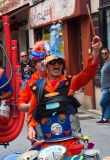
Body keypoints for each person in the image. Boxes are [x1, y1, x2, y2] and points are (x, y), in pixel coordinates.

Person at [26, 22, 102, 155]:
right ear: (46, 66)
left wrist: (95, 52)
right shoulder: (37, 86)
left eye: (59, 62)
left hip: (70, 141)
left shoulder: (70, 83)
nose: (57, 64)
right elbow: (32, 112)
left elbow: (87, 74)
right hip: (45, 143)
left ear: (63, 66)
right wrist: (30, 127)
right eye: (53, 62)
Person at [17, 41, 47, 112]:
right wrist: (32, 105)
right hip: (36, 119)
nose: (44, 63)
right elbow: (20, 104)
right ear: (35, 65)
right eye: (40, 61)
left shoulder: (55, 77)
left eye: (45, 60)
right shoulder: (28, 82)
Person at [97, 47, 110, 124]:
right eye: (102, 53)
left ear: (109, 53)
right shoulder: (105, 63)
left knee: (102, 102)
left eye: (105, 53)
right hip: (104, 87)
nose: (104, 55)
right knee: (108, 103)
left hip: (108, 88)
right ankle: (105, 118)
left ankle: (105, 117)